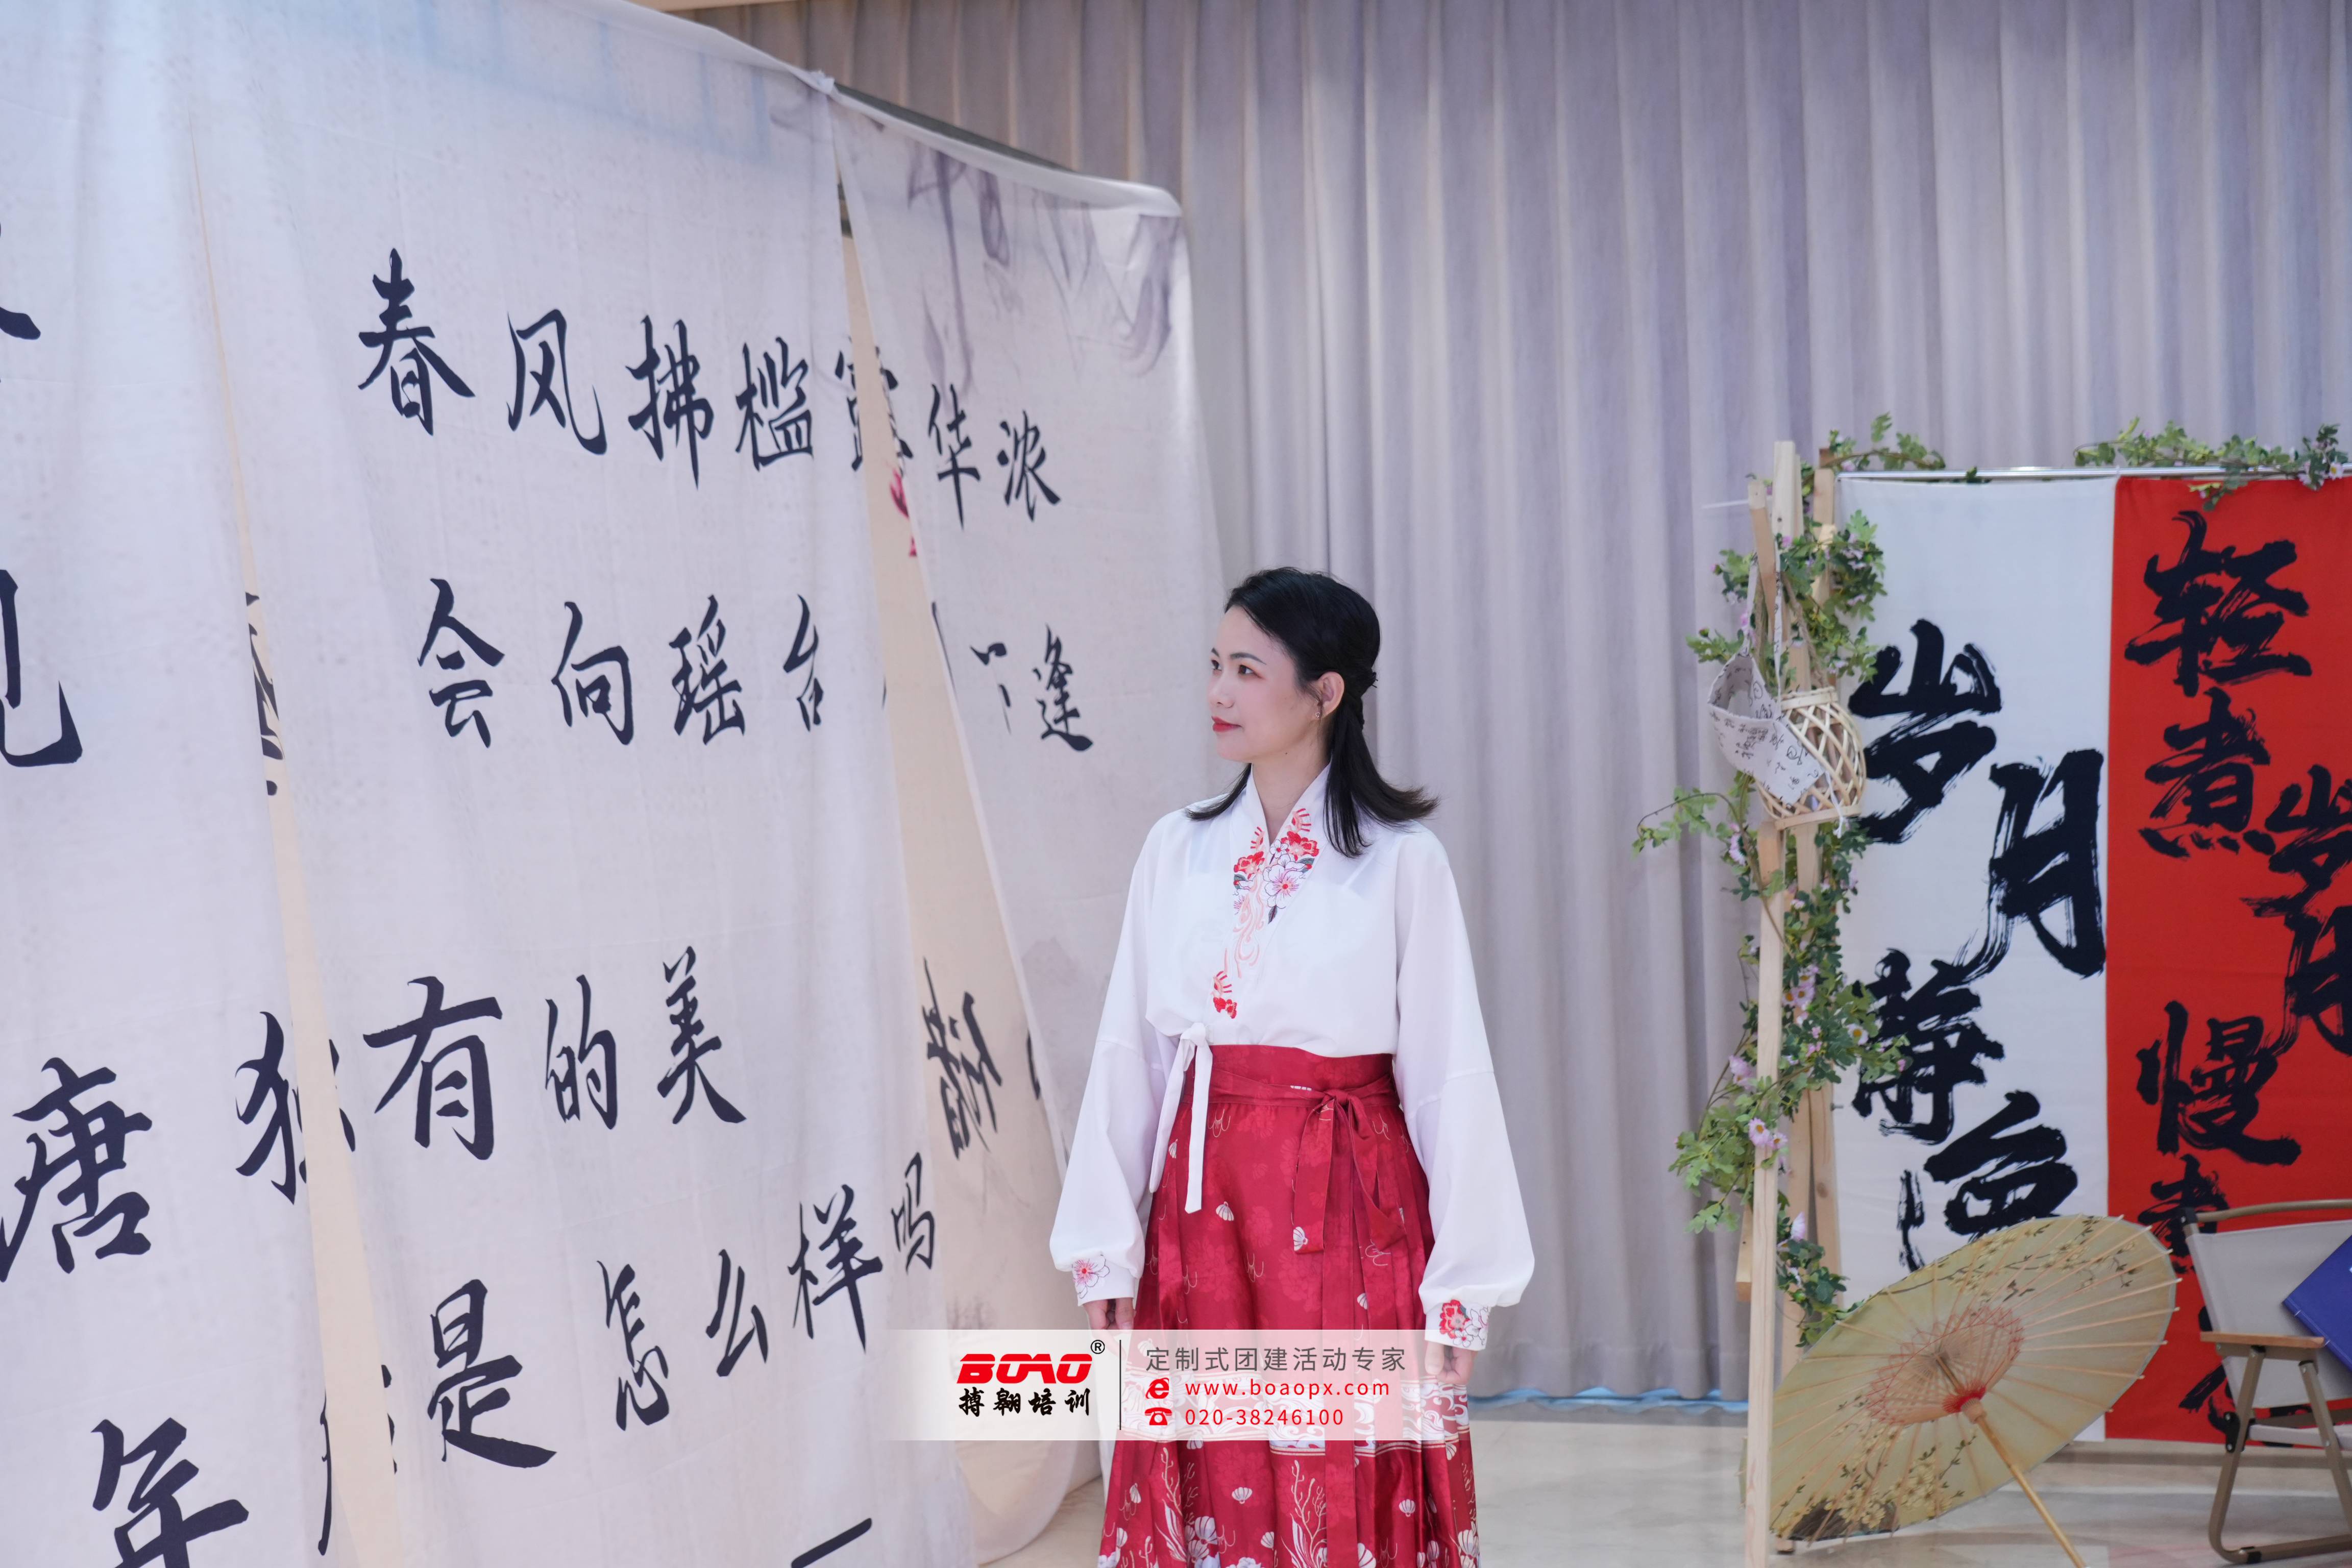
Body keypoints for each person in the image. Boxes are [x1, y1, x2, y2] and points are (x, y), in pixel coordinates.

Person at [1050, 567, 1534, 1568]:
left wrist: (1465, 1283)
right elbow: (1131, 1052)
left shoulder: (1402, 860)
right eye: (1215, 666)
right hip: (1204, 1206)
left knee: (1339, 1456)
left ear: (1326, 692)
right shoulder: (1176, 849)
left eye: (1247, 670)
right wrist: (1106, 1242)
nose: (1218, 693)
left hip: (1349, 1200)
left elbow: (1449, 1074)